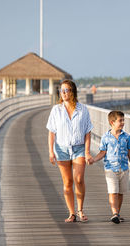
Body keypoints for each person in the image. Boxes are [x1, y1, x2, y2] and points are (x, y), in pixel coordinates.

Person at [46, 79, 93, 223]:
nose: (64, 93)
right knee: (67, 182)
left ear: (73, 91)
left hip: (79, 148)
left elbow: (88, 132)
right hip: (61, 149)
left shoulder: (83, 109)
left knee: (78, 179)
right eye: (62, 90)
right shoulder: (56, 110)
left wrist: (87, 152)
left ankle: (80, 210)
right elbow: (51, 132)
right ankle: (71, 213)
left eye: (67, 90)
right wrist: (51, 152)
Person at [89, 110, 130, 224]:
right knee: (113, 192)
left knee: (120, 193)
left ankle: (117, 214)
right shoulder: (105, 137)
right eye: (120, 121)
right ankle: (114, 213)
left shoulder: (127, 137)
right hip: (110, 169)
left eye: (123, 120)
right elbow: (102, 152)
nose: (123, 122)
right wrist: (94, 159)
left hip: (124, 168)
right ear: (112, 122)